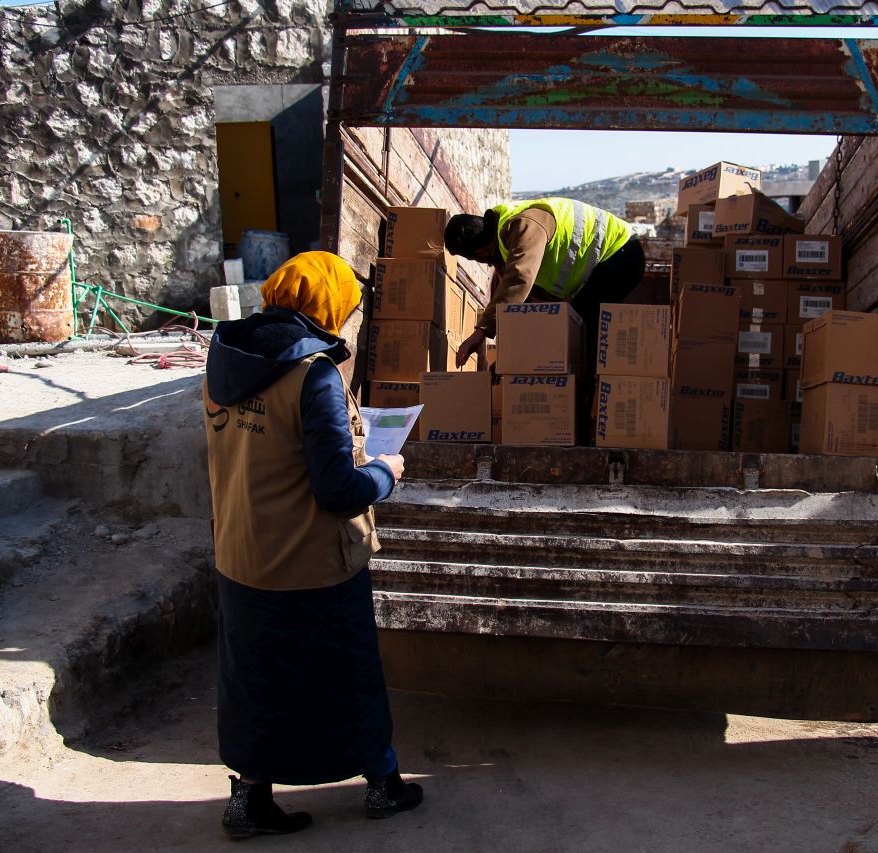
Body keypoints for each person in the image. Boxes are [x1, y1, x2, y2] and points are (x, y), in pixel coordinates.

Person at [202, 251, 423, 839]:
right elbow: (338, 490)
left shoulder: (224, 359)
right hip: (310, 561)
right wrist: (387, 471)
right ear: (327, 305)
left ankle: (247, 799)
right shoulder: (314, 375)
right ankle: (382, 785)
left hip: (242, 554)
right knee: (349, 673)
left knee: (255, 681)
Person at [444, 198, 646, 373]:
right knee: (570, 329)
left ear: (479, 254)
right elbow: (521, 310)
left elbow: (519, 280)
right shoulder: (504, 251)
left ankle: (586, 410)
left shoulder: (524, 225)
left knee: (580, 332)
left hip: (622, 254)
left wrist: (480, 333)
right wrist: (508, 360)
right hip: (602, 267)